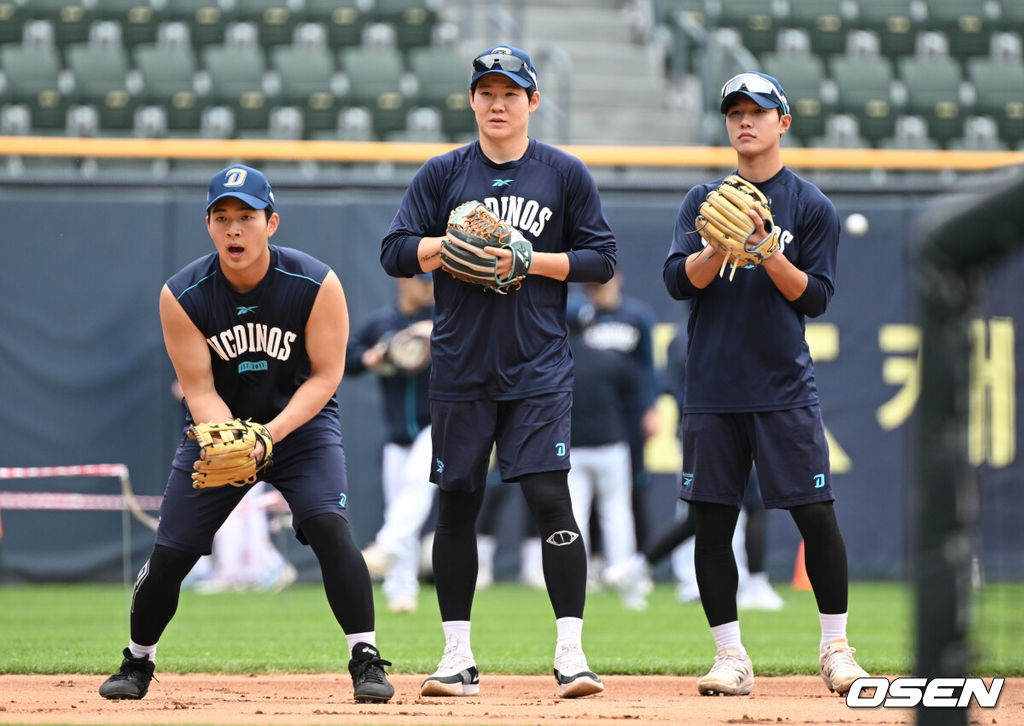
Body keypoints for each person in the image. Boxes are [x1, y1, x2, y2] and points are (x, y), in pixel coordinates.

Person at [98, 165, 394, 703]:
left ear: (271, 223)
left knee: (330, 528)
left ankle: (366, 659)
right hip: (219, 435)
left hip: (301, 429)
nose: (234, 228)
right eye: (222, 217)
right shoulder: (182, 294)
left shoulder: (316, 283)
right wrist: (229, 438)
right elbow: (197, 387)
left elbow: (326, 376)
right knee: (173, 551)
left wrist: (269, 437)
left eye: (247, 217)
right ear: (208, 225)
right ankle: (138, 661)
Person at [380, 45, 617, 699]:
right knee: (457, 503)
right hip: (461, 367)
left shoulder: (563, 173)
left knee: (550, 498)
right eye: (486, 92)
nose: (498, 103)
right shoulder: (443, 173)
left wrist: (528, 258)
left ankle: (571, 654)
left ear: (533, 101)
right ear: (472, 100)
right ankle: (457, 657)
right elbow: (395, 252)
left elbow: (601, 259)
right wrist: (444, 247)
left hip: (537, 367)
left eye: (511, 93)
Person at [662, 72, 869, 697]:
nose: (745, 121)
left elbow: (817, 298)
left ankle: (836, 649)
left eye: (758, 111)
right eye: (735, 112)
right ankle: (730, 656)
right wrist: (714, 249)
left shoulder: (810, 205)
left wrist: (766, 250)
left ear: (784, 122)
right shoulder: (703, 199)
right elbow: (677, 281)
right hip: (712, 388)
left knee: (816, 515)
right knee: (711, 524)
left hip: (783, 386)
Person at [346, 274, 436, 613]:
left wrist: (437, 335)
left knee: (416, 484)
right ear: (403, 281)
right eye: (422, 281)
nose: (428, 287)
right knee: (401, 505)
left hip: (437, 424)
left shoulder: (443, 317)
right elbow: (348, 358)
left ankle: (385, 547)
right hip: (398, 432)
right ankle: (401, 590)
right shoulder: (381, 323)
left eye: (431, 282)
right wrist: (369, 357)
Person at [171, 381, 299, 595]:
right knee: (243, 514)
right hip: (237, 444)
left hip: (244, 445)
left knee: (238, 514)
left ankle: (240, 572)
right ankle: (249, 571)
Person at [565, 314, 650, 610]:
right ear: (589, 327)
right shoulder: (611, 359)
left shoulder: (555, 362)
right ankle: (622, 573)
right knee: (617, 512)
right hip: (611, 445)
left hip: (572, 447)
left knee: (575, 513)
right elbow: (635, 399)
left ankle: (578, 577)